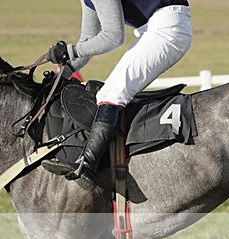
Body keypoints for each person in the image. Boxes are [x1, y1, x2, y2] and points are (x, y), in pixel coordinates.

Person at [43, 0, 192, 189]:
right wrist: (65, 70)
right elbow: (90, 40)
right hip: (154, 29)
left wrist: (69, 51)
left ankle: (87, 165)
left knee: (112, 93)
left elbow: (113, 37)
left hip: (167, 29)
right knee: (110, 92)